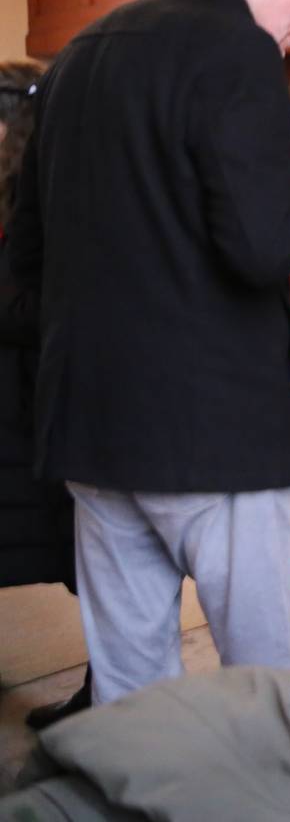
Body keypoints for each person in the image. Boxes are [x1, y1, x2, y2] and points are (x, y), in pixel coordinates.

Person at [6, 0, 290, 706]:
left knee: (130, 685)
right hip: (211, 432)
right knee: (266, 678)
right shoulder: (237, 52)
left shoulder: (76, 58)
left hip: (91, 427)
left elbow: (26, 260)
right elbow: (257, 246)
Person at [0, 58, 91, 729]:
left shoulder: (57, 188)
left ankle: (109, 683)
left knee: (84, 546)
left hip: (46, 384)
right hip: (37, 384)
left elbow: (55, 297)